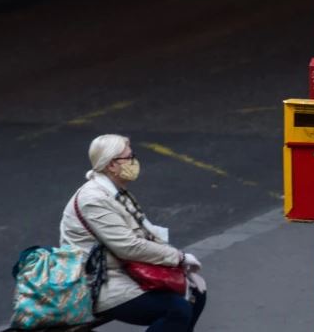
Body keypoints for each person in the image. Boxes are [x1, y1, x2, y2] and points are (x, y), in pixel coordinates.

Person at [60, 134, 207, 332]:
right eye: (129, 157)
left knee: (195, 294)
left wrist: (180, 268)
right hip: (99, 284)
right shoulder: (94, 199)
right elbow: (128, 247)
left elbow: (145, 234)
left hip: (125, 272)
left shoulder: (115, 192)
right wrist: (179, 258)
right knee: (176, 310)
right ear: (111, 165)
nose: (134, 162)